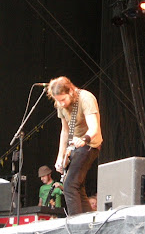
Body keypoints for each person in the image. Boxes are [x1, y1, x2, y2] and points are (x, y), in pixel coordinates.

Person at [47, 76, 102, 215]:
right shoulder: (60, 104)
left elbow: (94, 128)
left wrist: (84, 139)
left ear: (71, 91)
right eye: (57, 101)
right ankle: (88, 223)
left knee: (69, 185)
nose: (61, 104)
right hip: (74, 146)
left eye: (63, 99)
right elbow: (65, 131)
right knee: (77, 187)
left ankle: (76, 225)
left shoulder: (86, 98)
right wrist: (60, 157)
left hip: (90, 143)